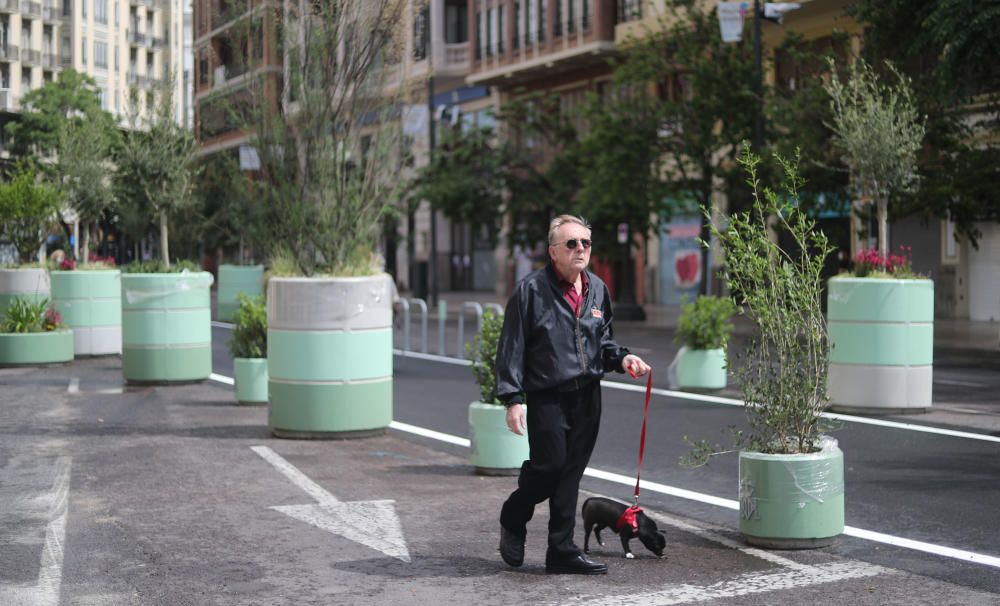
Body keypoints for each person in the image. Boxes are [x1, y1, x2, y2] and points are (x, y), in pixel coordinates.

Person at [495, 214, 651, 575]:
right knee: (549, 467)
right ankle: (514, 515)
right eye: (571, 243)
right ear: (553, 252)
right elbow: (512, 347)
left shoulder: (597, 289)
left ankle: (561, 550)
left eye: (585, 243)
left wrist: (623, 357)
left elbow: (603, 340)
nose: (580, 249)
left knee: (570, 473)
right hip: (547, 394)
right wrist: (513, 398)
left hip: (587, 396)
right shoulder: (530, 291)